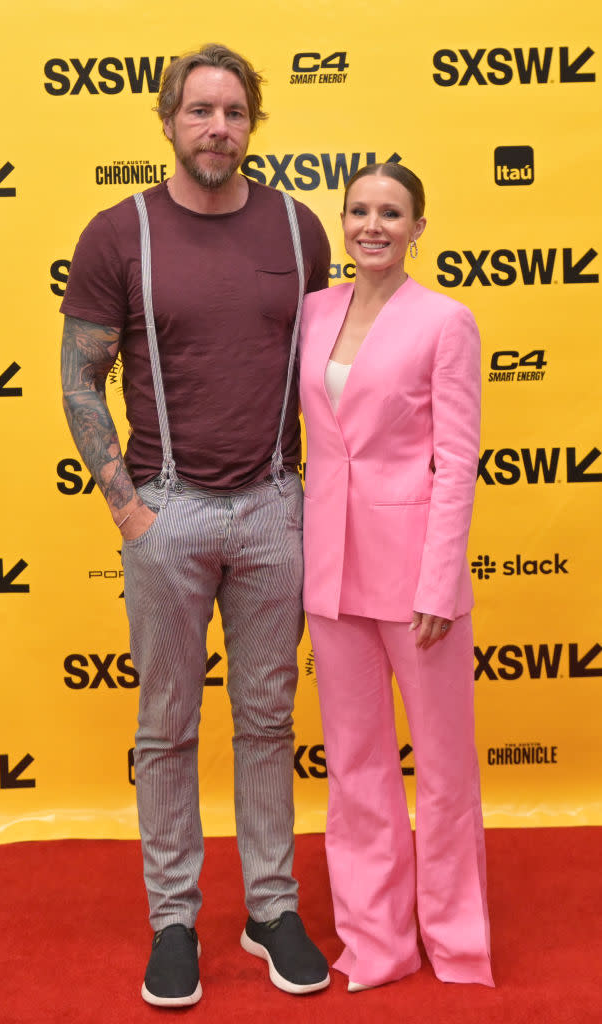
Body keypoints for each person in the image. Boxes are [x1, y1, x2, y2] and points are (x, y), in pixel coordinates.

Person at [59, 43, 331, 1007]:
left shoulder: (300, 231)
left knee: (267, 721)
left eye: (234, 112)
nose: (218, 128)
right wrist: (130, 513)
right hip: (164, 512)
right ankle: (173, 919)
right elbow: (78, 377)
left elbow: (325, 370)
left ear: (254, 123)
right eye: (199, 111)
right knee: (166, 728)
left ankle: (269, 908)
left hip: (271, 509)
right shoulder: (115, 233)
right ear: (167, 120)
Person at [299, 162, 494, 991]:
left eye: (390, 212)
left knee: (443, 768)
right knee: (355, 768)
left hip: (416, 577)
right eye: (357, 210)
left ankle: (455, 941)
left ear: (418, 227)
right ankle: (375, 944)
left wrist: (437, 584)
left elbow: (456, 463)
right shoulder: (312, 312)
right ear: (341, 223)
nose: (371, 225)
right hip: (330, 570)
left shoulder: (446, 321)